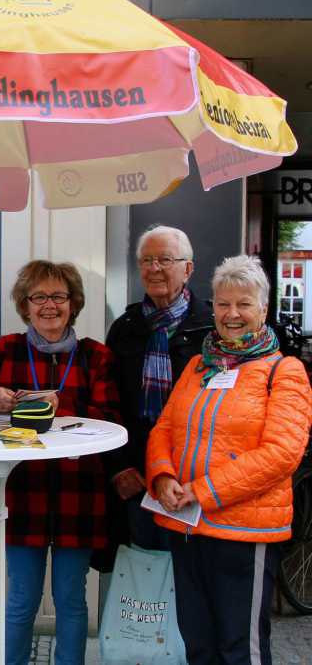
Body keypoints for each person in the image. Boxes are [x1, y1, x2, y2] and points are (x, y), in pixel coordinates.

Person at [0, 260, 121, 665]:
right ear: (24, 306)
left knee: (72, 599)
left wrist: (64, 406)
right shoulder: (5, 350)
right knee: (21, 599)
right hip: (22, 494)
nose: (48, 305)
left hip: (80, 495)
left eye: (58, 296)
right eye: (38, 297)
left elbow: (110, 415)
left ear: (73, 303)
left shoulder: (96, 356)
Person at [146, 255, 312, 665]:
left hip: (243, 533)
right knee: (199, 646)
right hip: (187, 528)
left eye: (243, 304)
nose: (232, 314)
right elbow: (164, 429)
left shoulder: (284, 372)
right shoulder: (198, 365)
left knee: (241, 649)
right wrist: (163, 476)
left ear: (263, 310)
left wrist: (201, 492)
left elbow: (281, 454)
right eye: (223, 303)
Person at [105, 225, 212, 550]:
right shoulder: (125, 328)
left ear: (188, 268)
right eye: (146, 260)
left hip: (195, 479)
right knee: (147, 574)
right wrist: (119, 466)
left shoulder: (212, 329)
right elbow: (109, 404)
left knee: (194, 578)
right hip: (138, 478)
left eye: (164, 259)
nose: (154, 269)